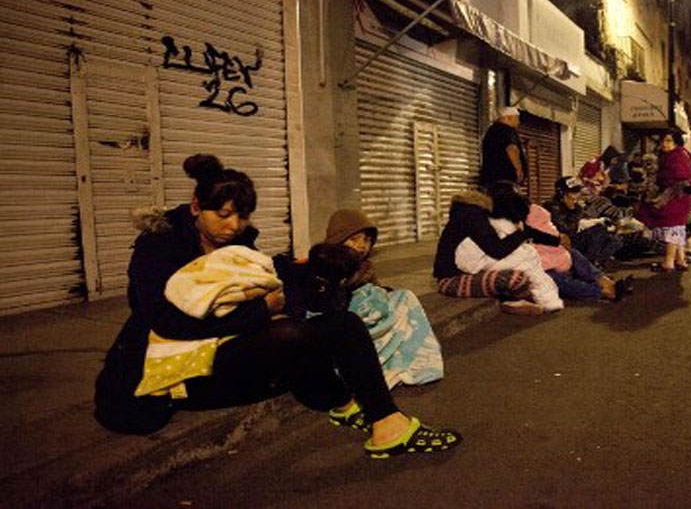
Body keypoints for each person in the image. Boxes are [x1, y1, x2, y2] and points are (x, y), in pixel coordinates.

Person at [94, 154, 460, 459]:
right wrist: (263, 311)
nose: (233, 226)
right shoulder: (159, 247)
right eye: (222, 215)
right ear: (195, 207)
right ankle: (343, 403)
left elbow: (272, 282)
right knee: (291, 336)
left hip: (222, 351)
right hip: (168, 372)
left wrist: (307, 276)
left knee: (342, 324)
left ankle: (385, 424)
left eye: (243, 216)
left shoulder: (239, 244)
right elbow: (168, 322)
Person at [318, 209, 444, 389]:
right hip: (345, 326)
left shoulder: (365, 266)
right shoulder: (325, 265)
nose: (362, 246)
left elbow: (376, 293)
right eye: (354, 239)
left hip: (370, 320)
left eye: (367, 240)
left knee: (404, 297)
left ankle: (413, 361)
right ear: (337, 240)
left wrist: (381, 295)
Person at [434, 184, 558, 315]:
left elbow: (527, 231)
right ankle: (518, 301)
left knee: (531, 271)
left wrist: (557, 240)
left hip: (470, 273)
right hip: (452, 281)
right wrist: (519, 233)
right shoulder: (473, 216)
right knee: (516, 278)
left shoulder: (476, 214)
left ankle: (524, 299)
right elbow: (497, 250)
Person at [636, 130, 691, 271]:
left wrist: (660, 181)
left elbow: (679, 175)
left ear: (677, 142)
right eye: (663, 141)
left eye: (668, 141)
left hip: (674, 196)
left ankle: (668, 262)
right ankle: (680, 260)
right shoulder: (681, 153)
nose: (664, 144)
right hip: (680, 196)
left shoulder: (677, 155)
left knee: (672, 227)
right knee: (678, 228)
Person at [544, 176, 623, 269]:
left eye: (578, 192)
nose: (577, 195)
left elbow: (583, 221)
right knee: (598, 230)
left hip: (574, 239)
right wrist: (572, 211)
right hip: (561, 243)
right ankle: (590, 267)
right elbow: (567, 230)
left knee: (614, 240)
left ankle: (594, 265)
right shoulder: (552, 207)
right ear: (562, 193)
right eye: (573, 192)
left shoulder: (576, 206)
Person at [480, 107, 527, 187]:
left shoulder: (492, 130)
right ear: (508, 117)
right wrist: (518, 169)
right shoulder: (507, 130)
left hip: (491, 179)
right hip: (505, 178)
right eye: (517, 119)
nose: (518, 122)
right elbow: (511, 148)